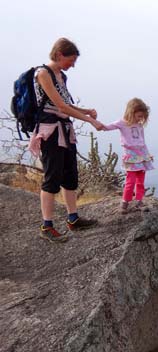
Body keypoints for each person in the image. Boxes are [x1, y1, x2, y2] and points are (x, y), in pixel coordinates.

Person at [29, 37, 104, 242]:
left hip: (65, 129)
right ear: (60, 54)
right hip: (50, 132)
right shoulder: (42, 73)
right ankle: (47, 226)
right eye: (71, 60)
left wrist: (85, 110)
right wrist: (89, 120)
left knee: (70, 175)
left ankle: (73, 218)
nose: (72, 65)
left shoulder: (60, 75)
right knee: (52, 177)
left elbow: (66, 103)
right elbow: (60, 107)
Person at [102, 98, 155, 214]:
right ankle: (125, 202)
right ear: (131, 112)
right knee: (130, 181)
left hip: (142, 156)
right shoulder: (122, 123)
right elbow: (107, 127)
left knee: (140, 181)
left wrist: (148, 154)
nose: (140, 119)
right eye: (139, 116)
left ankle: (139, 201)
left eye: (142, 117)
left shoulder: (140, 126)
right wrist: (96, 124)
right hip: (130, 156)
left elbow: (142, 142)